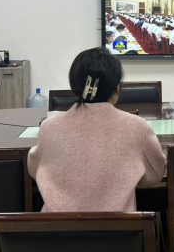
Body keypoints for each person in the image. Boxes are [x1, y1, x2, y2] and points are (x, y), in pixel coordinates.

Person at [28, 48, 166, 212]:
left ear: (75, 86)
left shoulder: (48, 127)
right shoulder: (137, 126)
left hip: (57, 228)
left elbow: (35, 170)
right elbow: (156, 174)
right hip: (120, 228)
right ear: (117, 88)